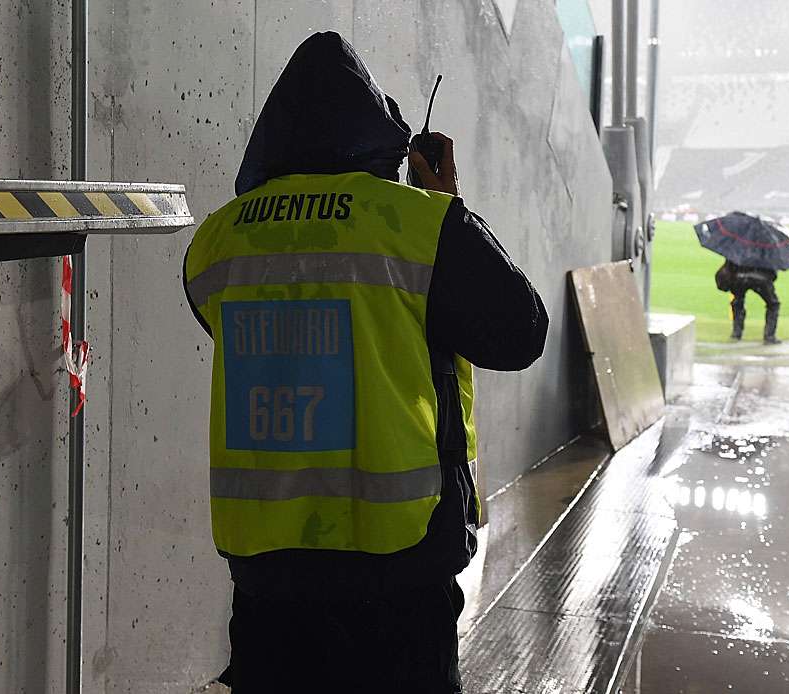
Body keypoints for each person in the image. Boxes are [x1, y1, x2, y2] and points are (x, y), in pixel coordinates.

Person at [182, 32, 548, 693]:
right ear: (380, 132)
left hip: (267, 575)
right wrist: (442, 202)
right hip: (397, 569)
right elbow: (518, 334)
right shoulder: (416, 223)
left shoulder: (218, 238)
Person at [715, 260, 781, 344]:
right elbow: (773, 272)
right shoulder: (767, 249)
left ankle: (736, 334)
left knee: (738, 301)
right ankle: (769, 336)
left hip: (738, 278)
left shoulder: (738, 249)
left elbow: (729, 266)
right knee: (773, 304)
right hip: (761, 278)